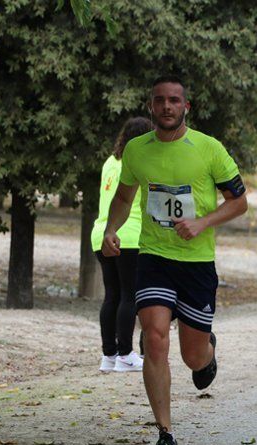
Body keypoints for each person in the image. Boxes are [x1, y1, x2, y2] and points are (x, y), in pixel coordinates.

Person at [102, 75, 249, 445]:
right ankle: (165, 434)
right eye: (159, 101)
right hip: (154, 258)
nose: (167, 107)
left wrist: (202, 222)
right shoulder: (136, 150)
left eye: (174, 101)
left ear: (186, 106)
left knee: (192, 358)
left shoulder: (208, 148)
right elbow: (124, 195)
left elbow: (239, 202)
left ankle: (208, 352)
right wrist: (111, 229)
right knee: (153, 337)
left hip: (197, 262)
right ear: (150, 106)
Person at [91, 117, 153, 373]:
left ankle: (109, 355)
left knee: (112, 295)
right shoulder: (140, 161)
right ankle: (126, 354)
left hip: (101, 233)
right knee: (130, 295)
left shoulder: (110, 162)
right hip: (129, 234)